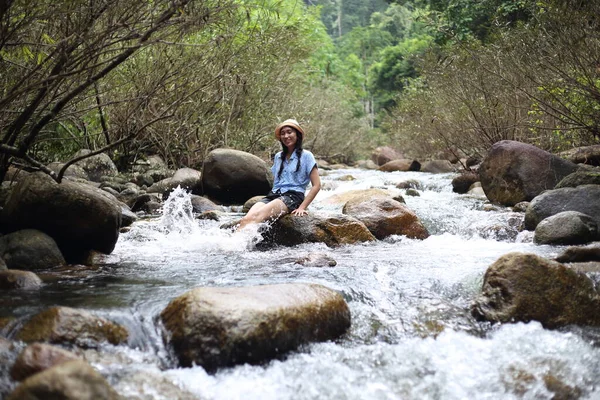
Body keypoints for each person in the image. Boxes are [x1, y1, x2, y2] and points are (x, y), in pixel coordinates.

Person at [237, 119, 321, 230]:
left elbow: (317, 185)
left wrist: (302, 207)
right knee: (246, 219)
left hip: (293, 196)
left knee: (258, 217)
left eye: (289, 132)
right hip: (274, 195)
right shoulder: (278, 156)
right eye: (283, 133)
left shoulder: (307, 156)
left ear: (297, 134)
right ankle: (234, 246)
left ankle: (240, 244)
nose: (286, 136)